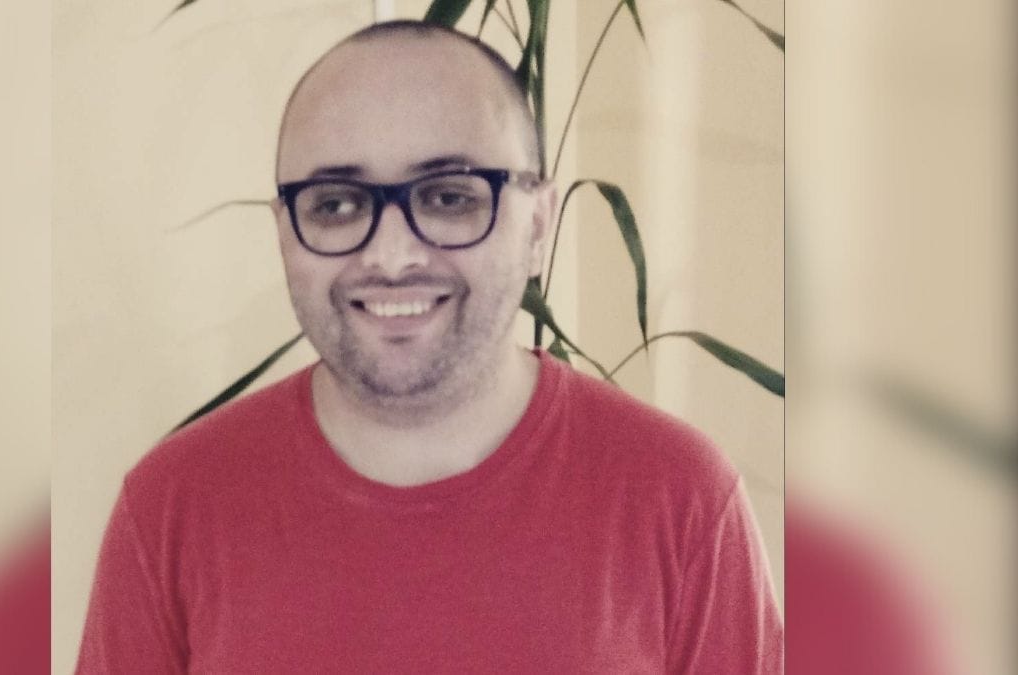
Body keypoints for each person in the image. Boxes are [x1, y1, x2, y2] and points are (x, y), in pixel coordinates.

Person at [76, 19, 782, 673]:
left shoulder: (682, 499)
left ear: (539, 224)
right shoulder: (169, 506)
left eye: (449, 197)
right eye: (335, 203)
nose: (391, 256)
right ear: (284, 230)